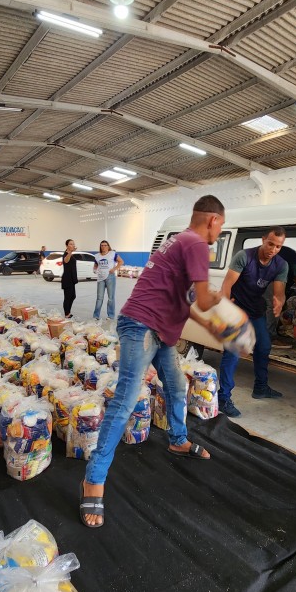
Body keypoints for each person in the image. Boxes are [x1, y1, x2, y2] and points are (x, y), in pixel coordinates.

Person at [80, 196, 226, 528]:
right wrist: (221, 305)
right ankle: (94, 478)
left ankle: (177, 440)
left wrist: (213, 325)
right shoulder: (196, 244)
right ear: (214, 220)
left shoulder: (178, 242)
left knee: (176, 385)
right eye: (221, 225)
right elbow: (204, 299)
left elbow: (187, 301)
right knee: (126, 399)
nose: (219, 231)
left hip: (159, 330)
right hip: (142, 326)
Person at [217, 227, 288, 418]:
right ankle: (223, 398)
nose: (273, 249)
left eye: (278, 246)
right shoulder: (244, 257)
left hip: (256, 311)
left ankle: (261, 387)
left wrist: (278, 301)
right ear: (263, 239)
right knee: (232, 352)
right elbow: (227, 285)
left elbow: (279, 291)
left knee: (263, 347)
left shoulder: (281, 265)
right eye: (270, 243)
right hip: (237, 309)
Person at [93, 240, 124, 320]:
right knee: (99, 298)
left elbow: (121, 261)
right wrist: (94, 269)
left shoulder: (112, 254)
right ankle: (96, 316)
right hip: (100, 278)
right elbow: (96, 265)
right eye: (102, 245)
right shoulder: (97, 256)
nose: (103, 247)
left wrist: (114, 269)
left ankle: (110, 315)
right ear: (100, 246)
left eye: (105, 245)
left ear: (108, 246)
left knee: (111, 298)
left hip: (110, 277)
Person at [61, 239, 78, 317]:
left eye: (73, 244)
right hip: (67, 279)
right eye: (71, 244)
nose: (73, 245)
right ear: (67, 245)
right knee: (68, 297)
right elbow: (66, 261)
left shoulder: (70, 254)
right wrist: (70, 252)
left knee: (73, 296)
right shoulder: (66, 254)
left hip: (72, 279)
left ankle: (68, 312)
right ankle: (66, 314)